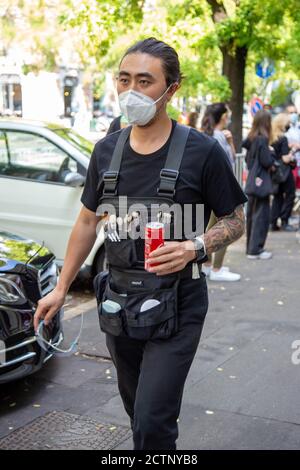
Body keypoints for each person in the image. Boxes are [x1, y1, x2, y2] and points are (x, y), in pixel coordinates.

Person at [33, 38, 247, 450]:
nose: (132, 90)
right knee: (138, 417)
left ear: (172, 88)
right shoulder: (106, 151)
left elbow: (235, 219)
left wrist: (195, 246)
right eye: (124, 79)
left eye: (145, 81)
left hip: (179, 303)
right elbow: (86, 221)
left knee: (152, 421)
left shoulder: (202, 152)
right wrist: (60, 288)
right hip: (119, 303)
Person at [201, 103, 241, 281]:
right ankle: (216, 268)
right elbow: (231, 161)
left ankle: (209, 266)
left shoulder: (206, 135)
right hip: (222, 190)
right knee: (225, 228)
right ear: (223, 117)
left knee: (210, 228)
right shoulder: (219, 137)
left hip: (208, 190)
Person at [243, 110, 275, 260]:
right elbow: (266, 161)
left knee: (251, 215)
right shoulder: (262, 140)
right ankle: (256, 249)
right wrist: (272, 154)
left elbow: (248, 162)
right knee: (261, 216)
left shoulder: (251, 138)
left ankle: (251, 247)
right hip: (261, 184)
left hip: (252, 182)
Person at [270, 113, 297, 231]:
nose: (289, 125)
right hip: (285, 172)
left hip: (275, 171)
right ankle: (285, 221)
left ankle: (273, 222)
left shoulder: (272, 138)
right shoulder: (283, 138)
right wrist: (293, 151)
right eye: (287, 123)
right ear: (282, 124)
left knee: (278, 196)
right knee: (290, 194)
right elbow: (285, 158)